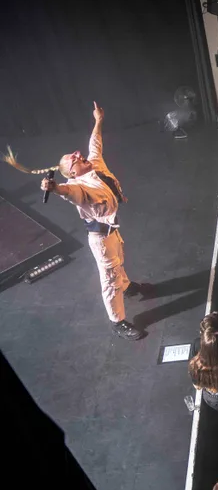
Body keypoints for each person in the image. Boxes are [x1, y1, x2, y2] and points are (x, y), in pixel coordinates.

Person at [30, 102, 146, 340]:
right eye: (73, 159)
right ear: (72, 172)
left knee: (120, 260)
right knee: (110, 276)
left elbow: (95, 142)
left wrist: (98, 120)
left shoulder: (94, 163)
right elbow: (66, 192)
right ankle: (118, 321)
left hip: (111, 230)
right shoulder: (77, 186)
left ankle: (127, 286)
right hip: (100, 238)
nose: (77, 154)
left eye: (74, 154)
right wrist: (53, 188)